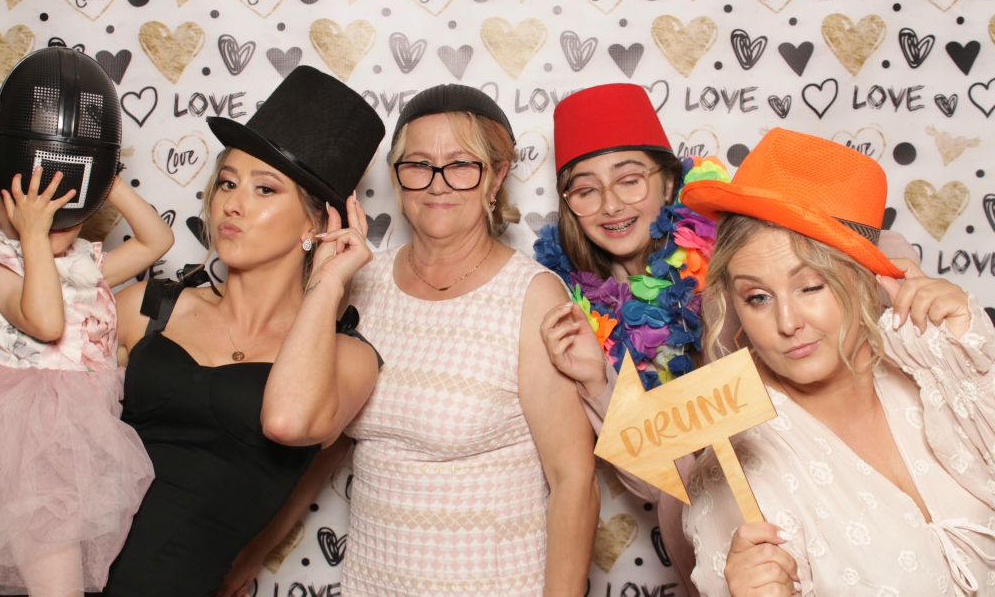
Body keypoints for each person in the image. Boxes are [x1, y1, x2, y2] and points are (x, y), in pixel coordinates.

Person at [102, 66, 385, 595]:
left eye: (264, 189)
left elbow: (287, 422)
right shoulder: (147, 307)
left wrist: (327, 285)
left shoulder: (348, 357)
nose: (232, 204)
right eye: (228, 183)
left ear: (315, 223)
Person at [678, 128, 995, 595]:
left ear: (866, 278)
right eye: (758, 297)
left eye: (810, 286)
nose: (788, 322)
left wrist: (976, 359)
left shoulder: (939, 362)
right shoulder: (737, 469)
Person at [342, 84, 598, 595]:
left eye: (461, 164)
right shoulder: (363, 281)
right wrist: (254, 549)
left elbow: (574, 481)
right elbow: (319, 429)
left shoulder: (531, 295)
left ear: (497, 176)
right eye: (418, 164)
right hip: (371, 583)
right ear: (396, 176)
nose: (437, 184)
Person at [0, 48, 174, 595]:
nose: (54, 211)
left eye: (66, 196)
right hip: (29, 438)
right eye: (34, 201)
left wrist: (107, 177)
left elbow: (158, 241)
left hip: (83, 432)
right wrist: (34, 235)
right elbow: (44, 321)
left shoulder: (81, 260)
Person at [533, 83, 726, 594]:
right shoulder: (578, 313)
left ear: (668, 182)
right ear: (569, 205)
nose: (610, 205)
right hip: (702, 550)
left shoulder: (733, 250)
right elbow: (655, 482)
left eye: (630, 180)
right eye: (586, 190)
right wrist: (598, 382)